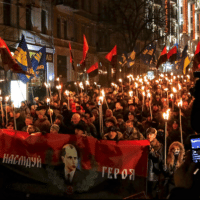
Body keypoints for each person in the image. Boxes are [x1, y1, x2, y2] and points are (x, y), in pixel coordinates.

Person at [146, 127, 163, 199]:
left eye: (151, 134)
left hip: (153, 172)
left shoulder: (159, 145)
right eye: (148, 134)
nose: (149, 136)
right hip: (145, 171)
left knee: (152, 192)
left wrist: (151, 151)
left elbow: (158, 158)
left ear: (155, 135)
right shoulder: (144, 143)